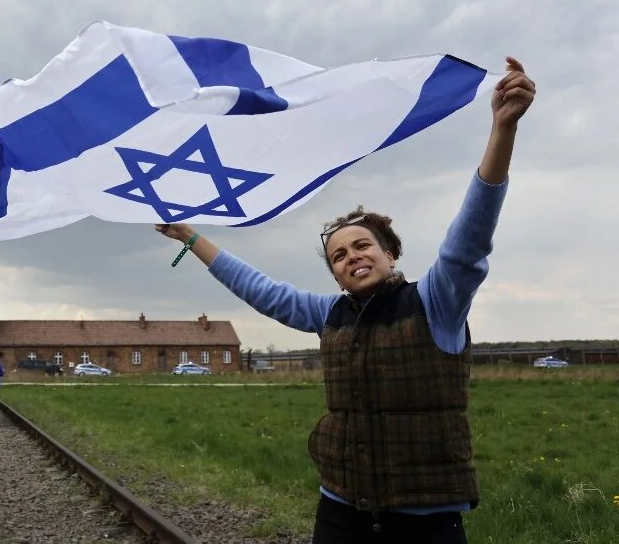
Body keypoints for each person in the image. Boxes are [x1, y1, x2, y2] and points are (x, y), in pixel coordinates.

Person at [156, 58, 536, 543]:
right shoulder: (330, 315)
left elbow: (469, 240)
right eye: (338, 256)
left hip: (424, 518)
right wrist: (191, 238)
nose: (351, 258)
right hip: (341, 510)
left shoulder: (436, 301)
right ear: (335, 273)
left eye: (361, 246)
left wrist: (502, 130)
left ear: (390, 253)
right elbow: (262, 291)